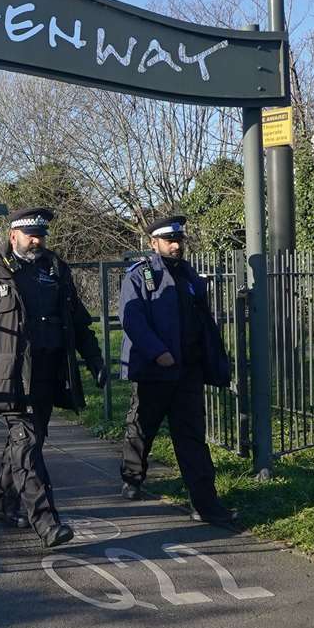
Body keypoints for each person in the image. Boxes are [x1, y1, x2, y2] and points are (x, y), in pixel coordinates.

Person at [0, 206, 107, 549]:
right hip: (9, 377)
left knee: (28, 441)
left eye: (41, 234)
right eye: (30, 234)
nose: (37, 240)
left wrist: (94, 359)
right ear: (13, 237)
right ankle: (47, 523)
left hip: (48, 374)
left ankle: (1, 502)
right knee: (26, 446)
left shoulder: (56, 271)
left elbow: (78, 322)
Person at [117, 215, 237, 526]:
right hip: (154, 371)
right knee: (142, 427)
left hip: (187, 371)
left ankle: (207, 505)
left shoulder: (189, 275)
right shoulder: (139, 275)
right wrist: (159, 353)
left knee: (192, 438)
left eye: (179, 240)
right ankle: (132, 477)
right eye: (169, 240)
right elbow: (133, 321)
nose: (175, 245)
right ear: (152, 243)